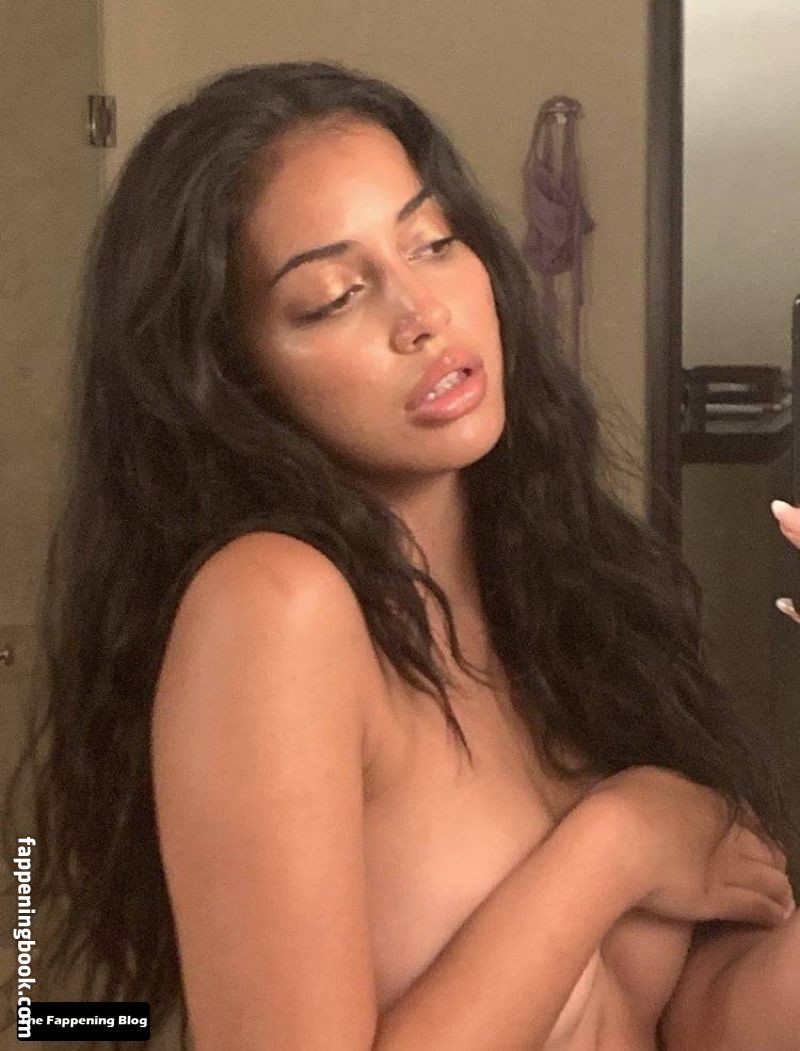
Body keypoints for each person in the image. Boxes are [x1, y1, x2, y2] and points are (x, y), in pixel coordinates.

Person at [3, 61, 799, 1050]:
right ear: (229, 376)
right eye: (335, 295)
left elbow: (710, 1010)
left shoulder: (564, 597)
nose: (423, 312)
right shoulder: (274, 605)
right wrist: (616, 843)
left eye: (433, 242)